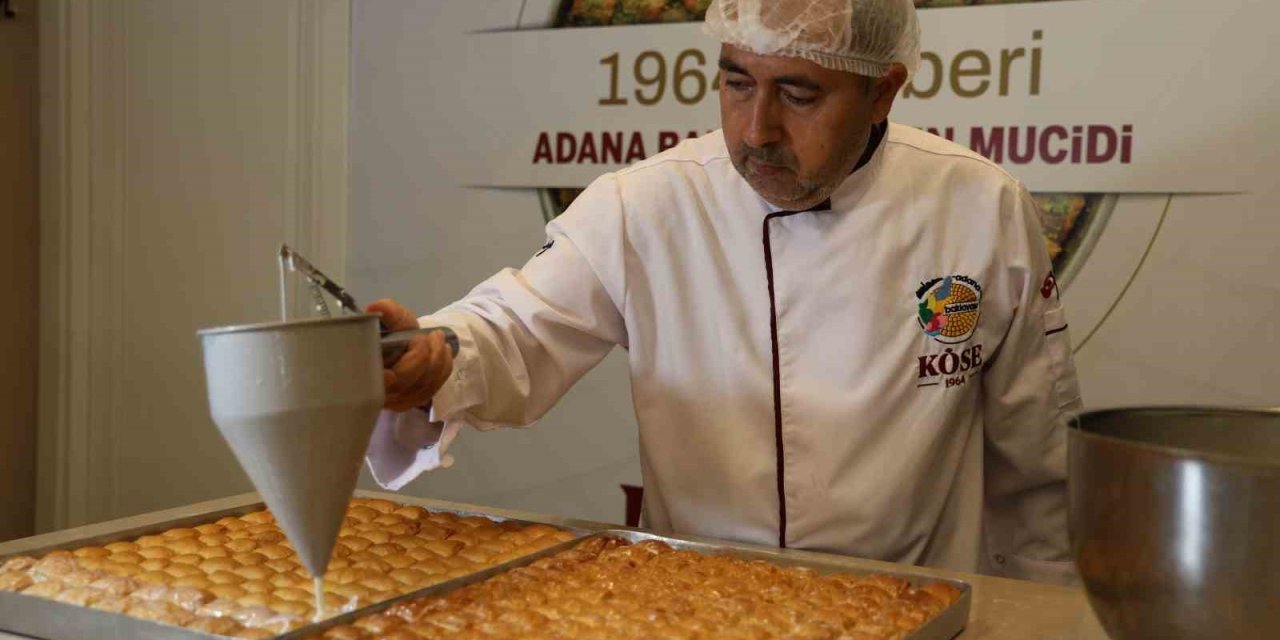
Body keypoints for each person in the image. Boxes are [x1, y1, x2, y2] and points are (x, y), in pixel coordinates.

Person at [363, 0, 1083, 585]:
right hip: (700, 605)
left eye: (799, 94)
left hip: (911, 606)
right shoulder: (647, 204)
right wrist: (437, 354)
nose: (755, 129)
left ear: (882, 91)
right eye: (737, 82)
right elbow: (516, 328)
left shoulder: (978, 206)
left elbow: (1039, 459)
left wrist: (1043, 618)